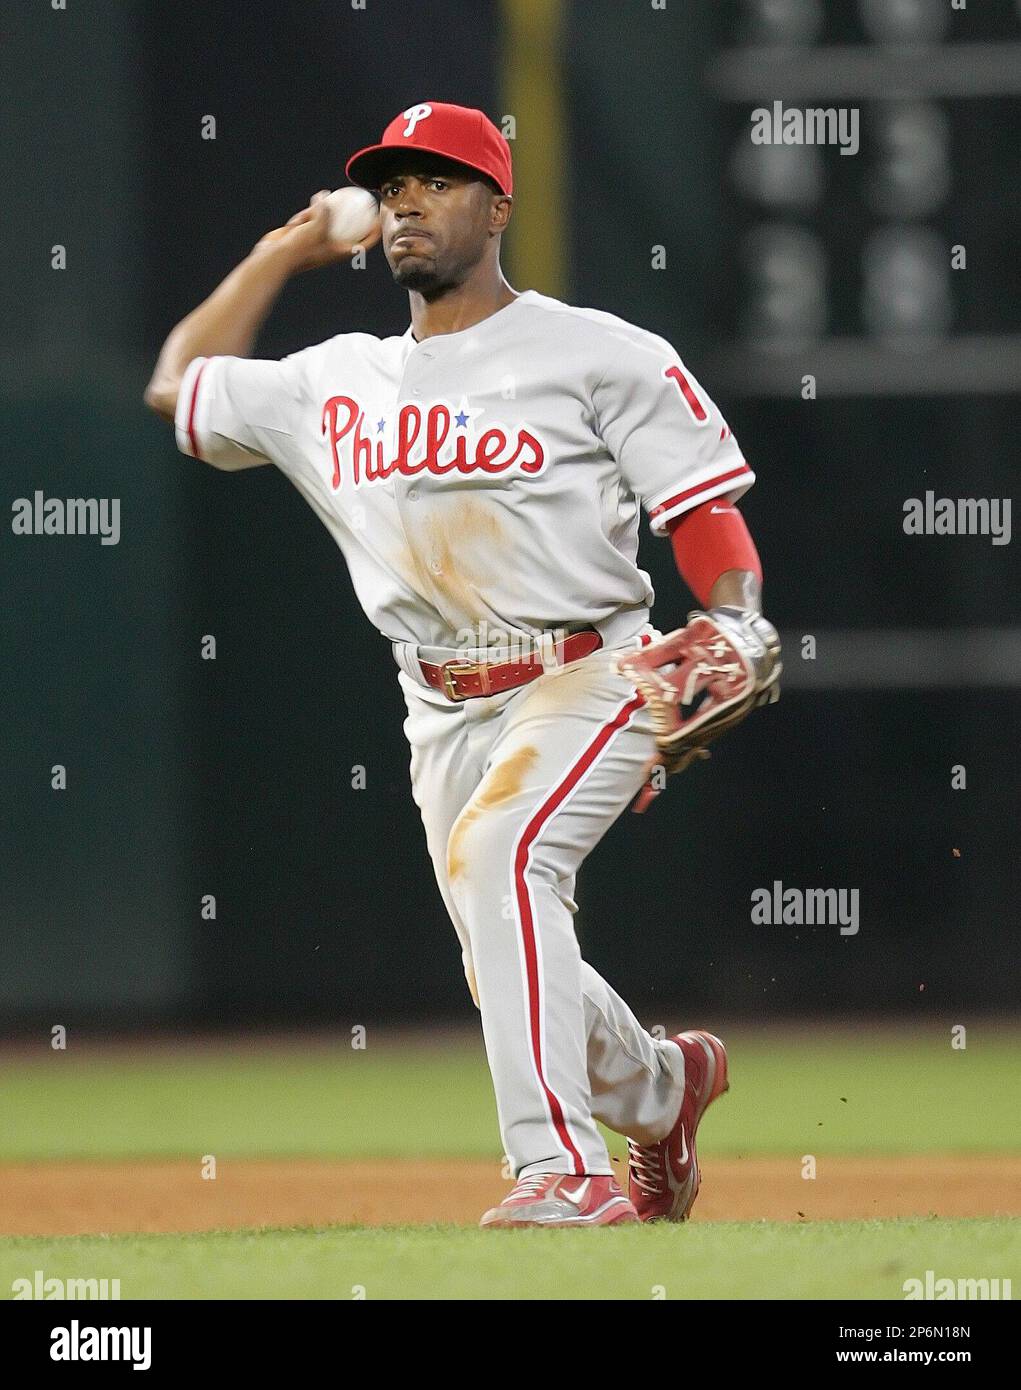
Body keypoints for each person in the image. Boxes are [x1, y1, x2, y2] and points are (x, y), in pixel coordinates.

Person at [145, 102, 780, 1229]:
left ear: (498, 204)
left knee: (499, 860)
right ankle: (665, 1085)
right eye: (392, 187)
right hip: (436, 701)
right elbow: (176, 385)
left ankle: (562, 1171)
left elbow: (701, 508)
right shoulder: (330, 380)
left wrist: (733, 614)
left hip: (592, 670)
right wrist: (282, 249)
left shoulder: (600, 351)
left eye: (435, 182)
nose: (405, 204)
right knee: (504, 937)